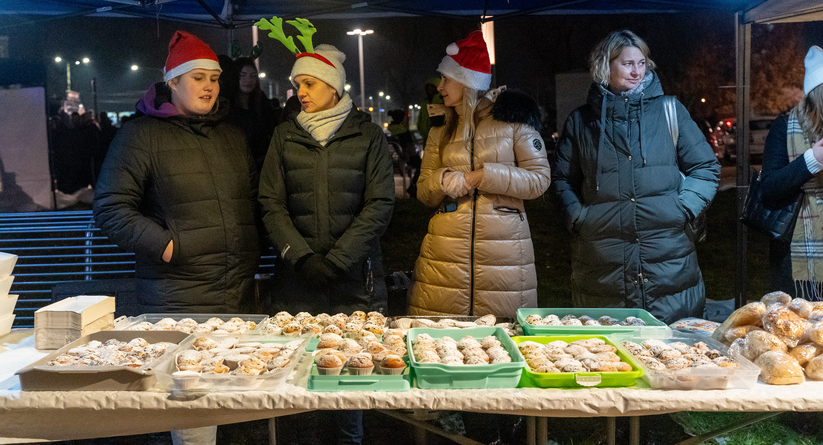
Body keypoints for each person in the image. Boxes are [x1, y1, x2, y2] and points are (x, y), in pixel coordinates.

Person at [93, 31, 261, 445]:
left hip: (234, 295)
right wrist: (169, 246)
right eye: (198, 77)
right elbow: (111, 208)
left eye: (215, 78)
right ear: (173, 82)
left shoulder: (231, 136)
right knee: (190, 421)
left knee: (224, 409)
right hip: (177, 297)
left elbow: (252, 201)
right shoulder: (141, 136)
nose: (209, 86)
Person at [258, 22, 394, 445]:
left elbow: (379, 204)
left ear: (334, 88)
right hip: (299, 278)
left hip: (355, 279)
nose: (301, 91)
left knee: (349, 371)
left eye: (310, 83)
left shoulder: (367, 135)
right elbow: (270, 203)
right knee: (300, 370)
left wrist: (337, 260)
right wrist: (300, 256)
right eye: (298, 83)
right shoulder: (284, 136)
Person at [552, 30, 719, 325]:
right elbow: (562, 180)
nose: (636, 71)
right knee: (609, 357)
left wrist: (683, 208)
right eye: (627, 63)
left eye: (641, 63)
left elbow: (705, 167)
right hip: (603, 263)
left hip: (668, 258)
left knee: (674, 359)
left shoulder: (670, 111)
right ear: (606, 65)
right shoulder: (581, 122)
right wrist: (579, 217)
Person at [408, 30, 551, 318]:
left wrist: (481, 176)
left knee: (502, 344)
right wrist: (443, 180)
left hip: (506, 260)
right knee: (440, 346)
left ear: (467, 81)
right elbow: (423, 192)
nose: (440, 86)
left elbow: (539, 180)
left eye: (447, 79)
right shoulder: (440, 129)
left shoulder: (513, 121)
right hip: (444, 260)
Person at [761, 46, 823, 309]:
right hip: (801, 263)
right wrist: (811, 161)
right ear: (815, 90)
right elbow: (769, 189)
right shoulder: (786, 127)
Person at [219, 55, 278, 170]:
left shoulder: (262, 103)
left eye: (252, 76)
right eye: (243, 75)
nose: (248, 80)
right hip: (235, 165)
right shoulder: (226, 106)